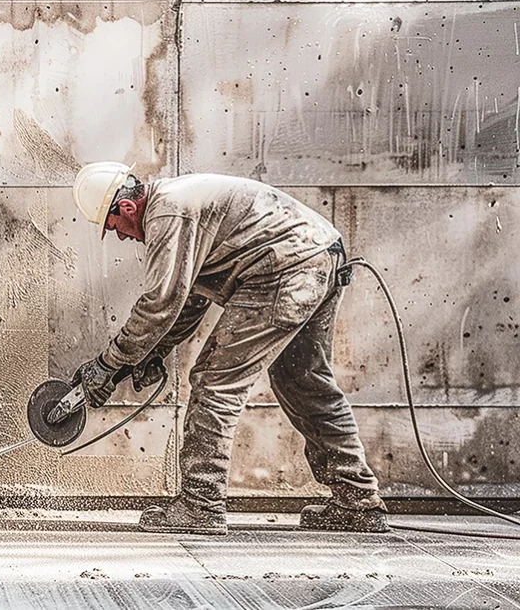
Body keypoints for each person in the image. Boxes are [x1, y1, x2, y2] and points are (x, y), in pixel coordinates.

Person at [70, 162, 388, 535]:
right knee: (303, 379)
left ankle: (200, 504)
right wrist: (154, 351)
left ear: (126, 208)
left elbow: (161, 302)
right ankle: (357, 500)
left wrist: (109, 364)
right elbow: (190, 299)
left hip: (282, 269)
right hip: (317, 256)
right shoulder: (179, 201)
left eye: (114, 228)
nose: (121, 237)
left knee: (215, 382)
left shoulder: (167, 211)